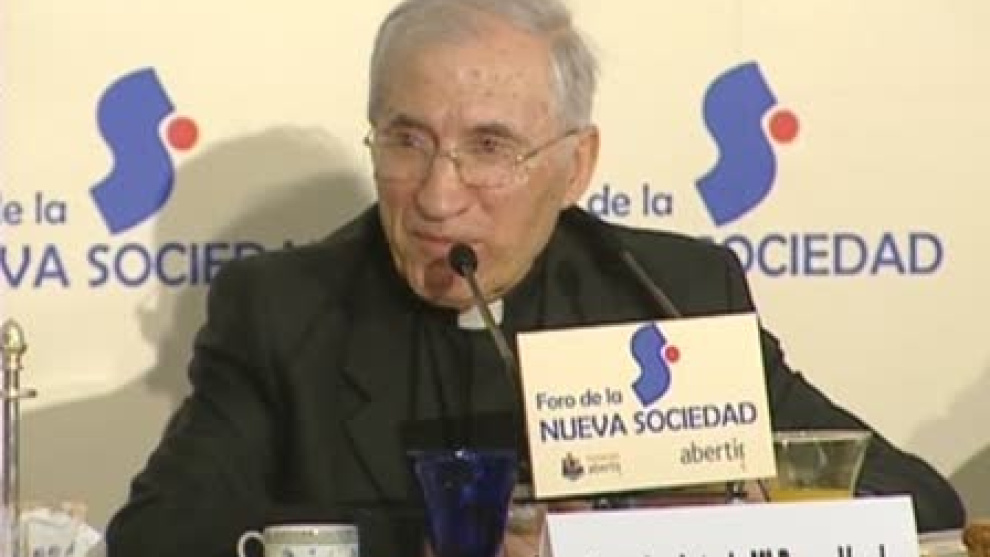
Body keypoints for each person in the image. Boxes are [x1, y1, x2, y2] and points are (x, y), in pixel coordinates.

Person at [105, 0, 965, 555]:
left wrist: (656, 536)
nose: (437, 196)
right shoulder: (284, 310)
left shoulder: (671, 295)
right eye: (406, 141)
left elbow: (920, 503)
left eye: (489, 148)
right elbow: (157, 537)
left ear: (575, 165)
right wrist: (441, 540)